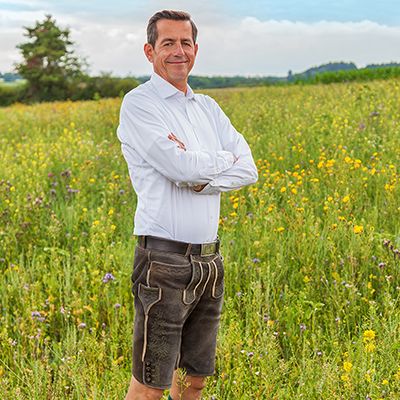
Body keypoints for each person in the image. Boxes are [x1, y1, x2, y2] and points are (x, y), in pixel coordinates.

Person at [117, 10, 258, 400]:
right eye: (168, 43)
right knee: (150, 385)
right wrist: (216, 159)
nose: (179, 51)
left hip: (209, 263)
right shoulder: (139, 104)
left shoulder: (208, 107)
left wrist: (200, 169)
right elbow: (178, 168)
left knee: (195, 379)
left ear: (195, 49)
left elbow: (248, 168)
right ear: (150, 51)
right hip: (163, 264)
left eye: (185, 43)